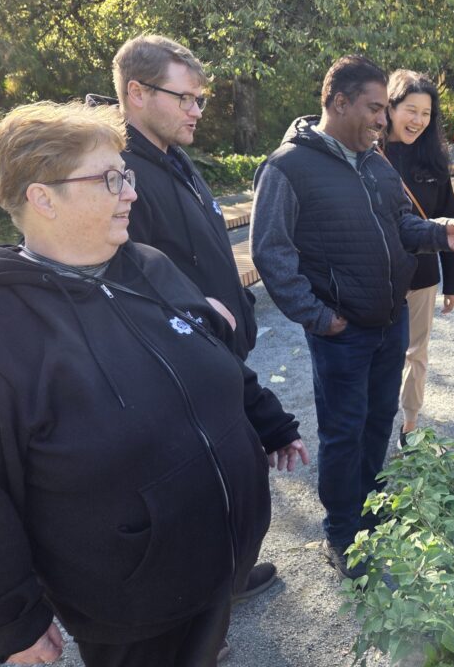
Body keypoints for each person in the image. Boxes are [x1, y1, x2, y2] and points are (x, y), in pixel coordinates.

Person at [0, 101, 307, 666]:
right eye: (109, 179)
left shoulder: (149, 265)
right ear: (42, 197)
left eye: (125, 174)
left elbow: (208, 360)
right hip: (130, 602)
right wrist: (12, 619)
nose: (131, 191)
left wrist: (268, 422)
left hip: (217, 558)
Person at [250, 55, 454, 579]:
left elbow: (402, 224)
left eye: (384, 110)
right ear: (338, 103)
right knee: (343, 431)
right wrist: (318, 316)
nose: (383, 119)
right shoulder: (287, 167)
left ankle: (372, 510)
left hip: (389, 321)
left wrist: (440, 232)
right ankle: (341, 530)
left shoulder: (376, 163)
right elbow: (272, 253)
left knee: (379, 421)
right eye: (375, 108)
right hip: (342, 333)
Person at [92, 34, 294, 604]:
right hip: (175, 366)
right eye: (184, 98)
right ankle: (200, 620)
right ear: (135, 92)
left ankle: (225, 578)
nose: (196, 110)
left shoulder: (170, 155)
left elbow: (195, 250)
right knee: (191, 490)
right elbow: (124, 285)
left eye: (200, 99)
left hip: (213, 350)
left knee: (225, 479)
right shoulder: (119, 172)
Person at [382, 70, 454, 448]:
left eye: (426, 113)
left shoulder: (434, 160)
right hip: (376, 276)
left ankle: (410, 424)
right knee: (379, 354)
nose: (417, 120)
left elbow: (449, 219)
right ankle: (375, 420)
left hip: (423, 275)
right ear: (390, 107)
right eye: (410, 110)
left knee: (416, 353)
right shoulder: (369, 154)